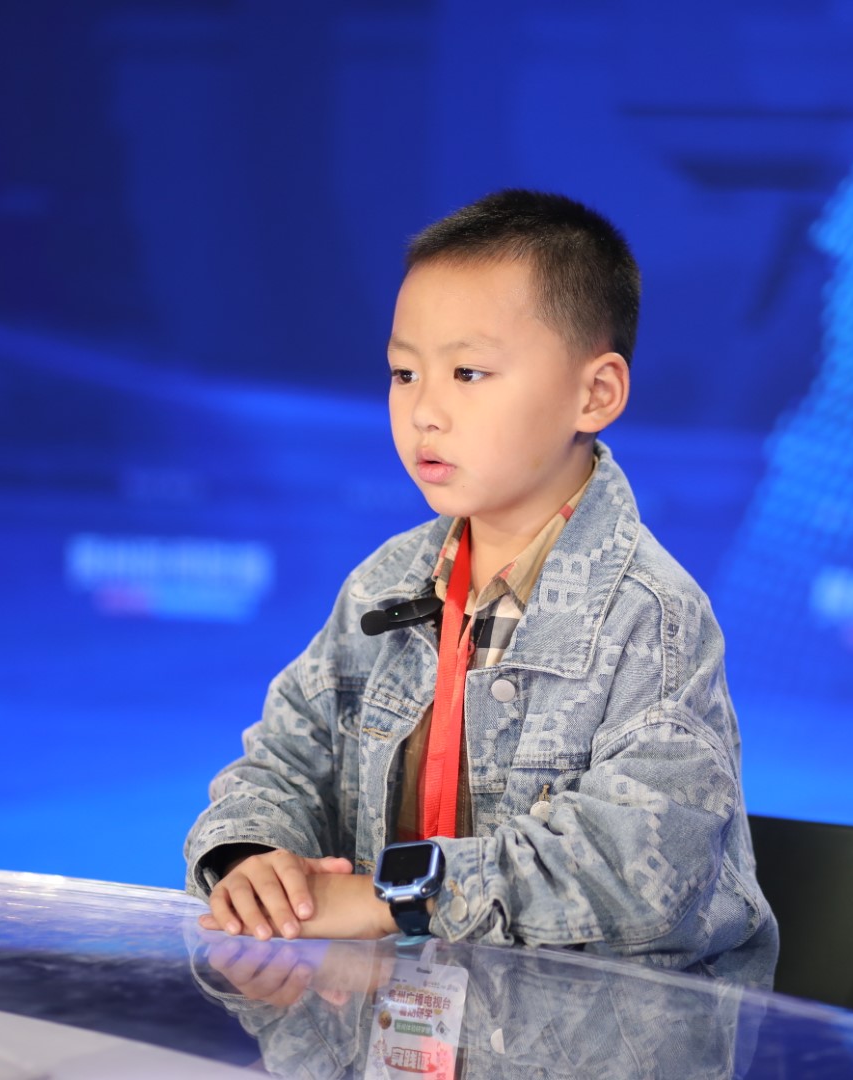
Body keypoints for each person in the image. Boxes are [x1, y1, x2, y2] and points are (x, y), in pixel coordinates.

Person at [186, 189, 776, 984]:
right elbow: (282, 763)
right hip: (392, 1023)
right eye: (403, 373)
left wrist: (394, 898)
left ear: (595, 394)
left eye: (469, 372)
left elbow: (640, 872)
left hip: (607, 1036)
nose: (425, 410)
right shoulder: (385, 582)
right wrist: (253, 858)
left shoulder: (652, 614)